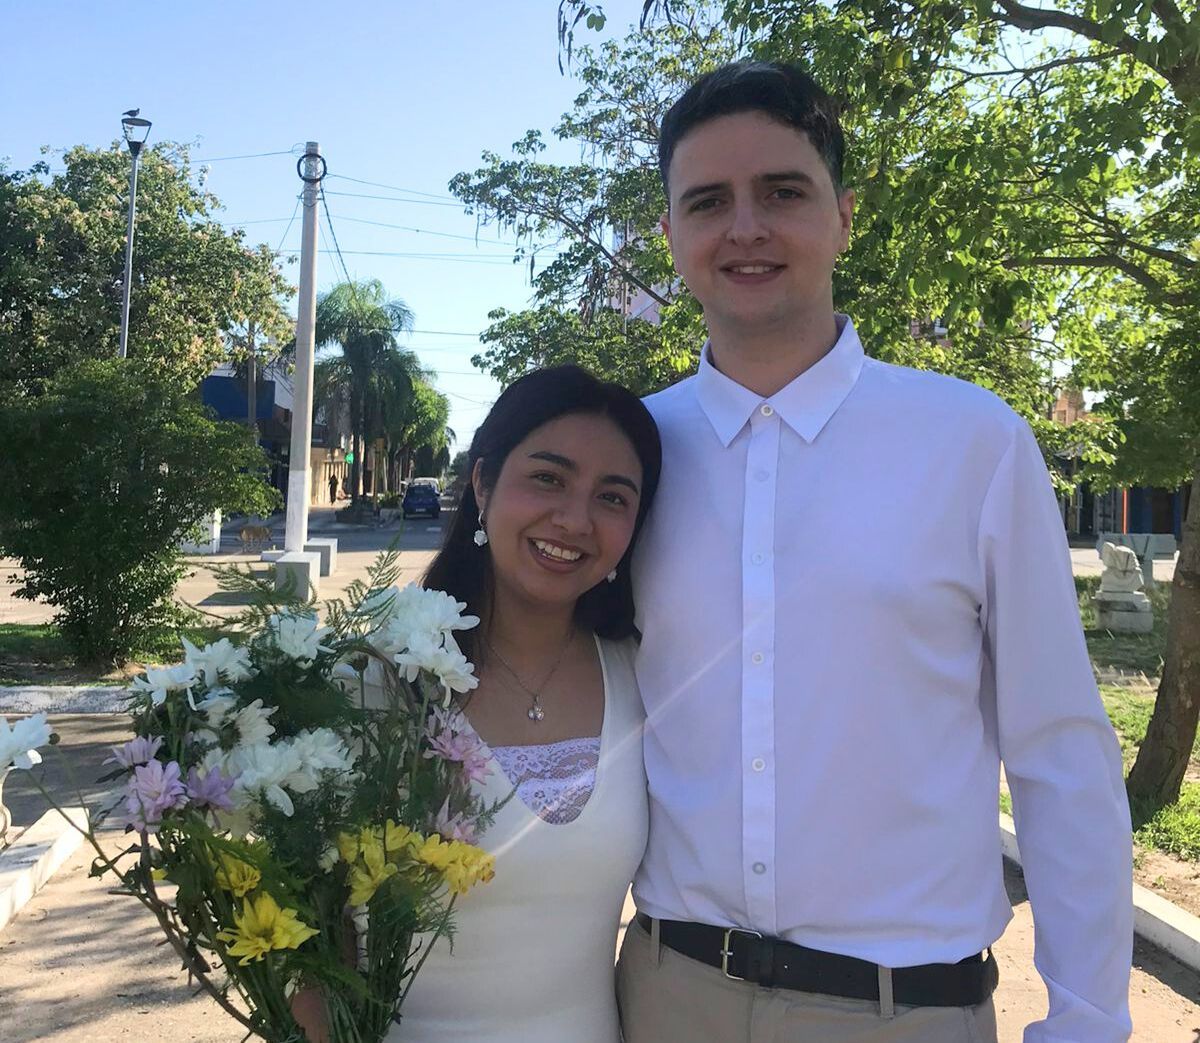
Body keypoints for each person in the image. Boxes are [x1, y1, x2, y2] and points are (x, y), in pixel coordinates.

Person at [616, 61, 1132, 1043]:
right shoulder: (628, 458)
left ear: (845, 215)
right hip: (666, 996)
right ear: (672, 234)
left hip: (906, 1013)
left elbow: (1058, 749)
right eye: (708, 200)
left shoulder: (970, 442)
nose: (746, 227)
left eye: (783, 191)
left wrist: (1088, 1019)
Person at [294, 365, 661, 1043]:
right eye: (547, 478)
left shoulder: (644, 676)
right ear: (483, 483)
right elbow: (312, 948)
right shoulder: (372, 677)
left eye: (612, 497)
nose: (574, 519)